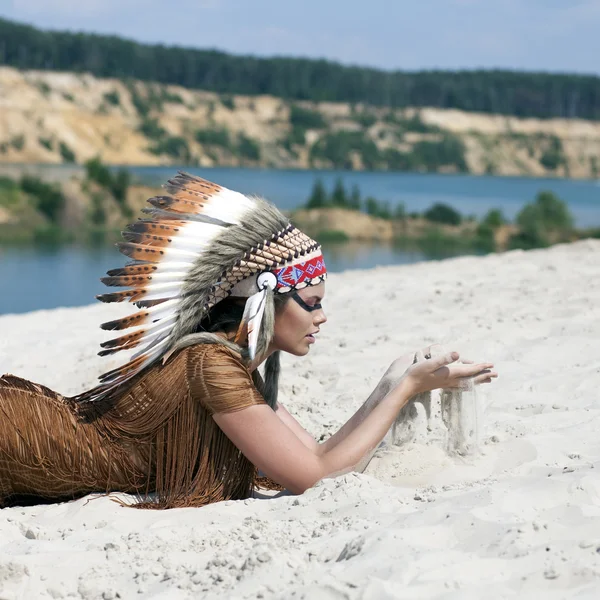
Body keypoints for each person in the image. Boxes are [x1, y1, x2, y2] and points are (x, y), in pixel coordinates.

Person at [0, 173, 497, 509]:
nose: (322, 317)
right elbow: (313, 478)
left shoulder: (227, 363)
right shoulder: (211, 366)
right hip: (16, 437)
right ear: (264, 300)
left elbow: (318, 456)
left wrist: (393, 382)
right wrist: (406, 390)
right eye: (311, 302)